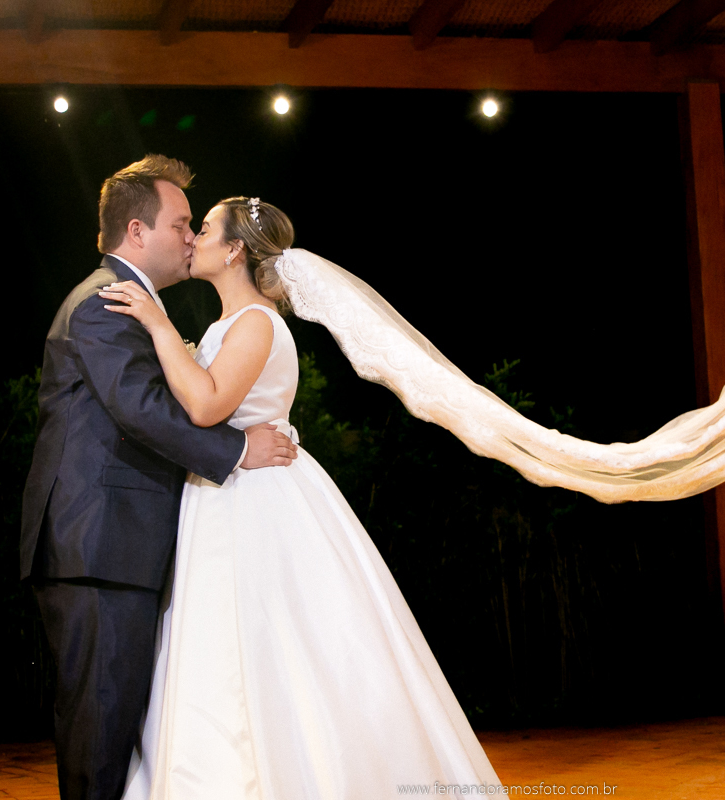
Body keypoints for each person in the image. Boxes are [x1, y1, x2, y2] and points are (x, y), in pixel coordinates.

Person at [103, 197, 502, 799]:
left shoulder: (258, 322)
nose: (193, 239)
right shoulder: (228, 325)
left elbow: (208, 406)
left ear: (235, 249)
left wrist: (159, 328)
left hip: (256, 501)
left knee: (272, 645)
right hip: (226, 492)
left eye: (204, 229)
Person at [20, 156, 298, 800]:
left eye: (198, 227)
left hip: (120, 547)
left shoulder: (135, 305)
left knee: (119, 725)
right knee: (100, 726)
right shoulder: (103, 304)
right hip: (98, 546)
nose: (190, 238)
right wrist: (236, 452)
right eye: (180, 224)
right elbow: (144, 410)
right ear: (138, 232)